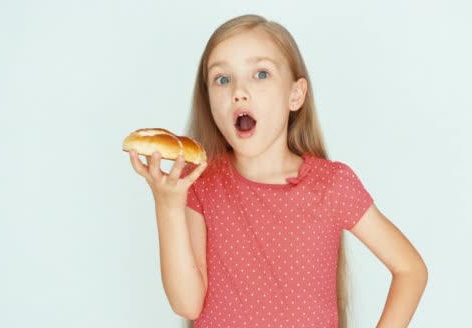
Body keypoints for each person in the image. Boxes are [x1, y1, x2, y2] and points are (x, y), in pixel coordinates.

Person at [129, 14, 428, 328]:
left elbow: (410, 269)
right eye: (222, 78)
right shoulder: (199, 182)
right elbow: (187, 304)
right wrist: (167, 205)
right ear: (208, 99)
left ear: (295, 95)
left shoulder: (331, 185)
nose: (239, 91)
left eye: (260, 73)